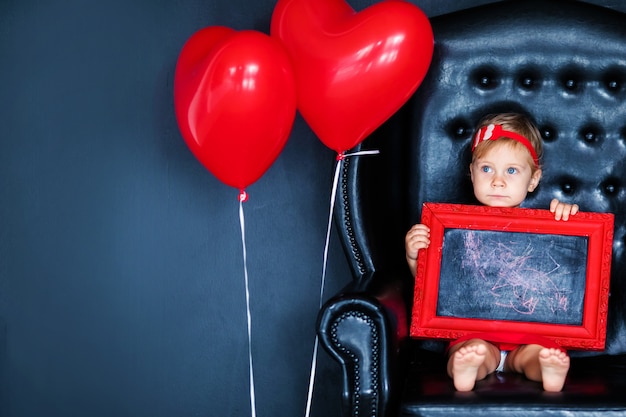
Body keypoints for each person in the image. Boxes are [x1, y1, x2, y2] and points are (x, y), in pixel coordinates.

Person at [405, 113, 579, 392]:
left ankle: (547, 370)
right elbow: (435, 287)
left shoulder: (549, 225)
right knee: (470, 349)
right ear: (471, 172)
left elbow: (572, 265)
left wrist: (569, 220)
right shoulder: (452, 231)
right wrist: (416, 258)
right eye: (487, 169)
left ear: (533, 179)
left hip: (529, 333)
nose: (497, 181)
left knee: (537, 352)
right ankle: (468, 369)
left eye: (511, 171)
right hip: (476, 331)